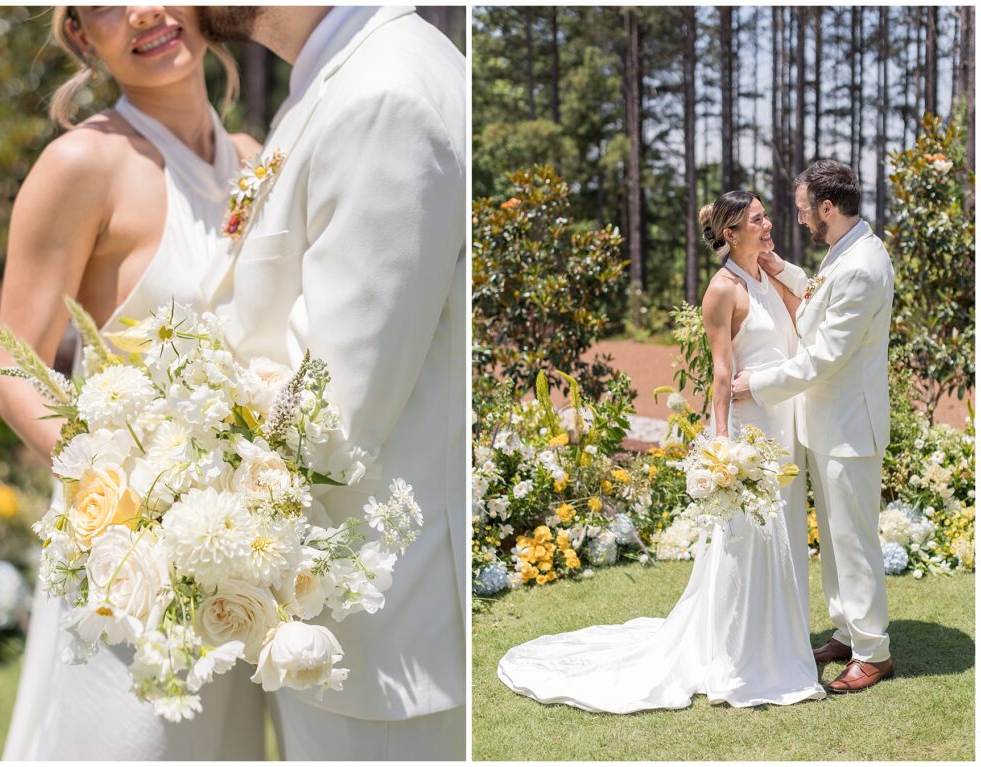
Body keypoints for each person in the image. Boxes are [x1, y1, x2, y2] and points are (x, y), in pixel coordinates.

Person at [0, 6, 265, 759]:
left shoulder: (253, 158)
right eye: (108, 4)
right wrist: (127, 504)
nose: (145, 10)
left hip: (237, 561)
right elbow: (14, 370)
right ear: (83, 36)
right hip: (126, 562)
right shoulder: (83, 164)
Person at [196, 6, 466, 760]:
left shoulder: (385, 97)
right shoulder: (337, 78)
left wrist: (170, 443)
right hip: (344, 636)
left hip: (388, 653)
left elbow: (332, 415)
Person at [497, 190, 825, 713]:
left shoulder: (768, 274)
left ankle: (781, 642)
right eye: (757, 220)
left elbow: (808, 318)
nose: (768, 225)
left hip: (782, 426)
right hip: (750, 432)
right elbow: (720, 374)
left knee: (781, 532)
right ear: (729, 234)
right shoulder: (723, 290)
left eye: (765, 217)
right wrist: (721, 448)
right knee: (748, 539)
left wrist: (781, 270)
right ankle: (739, 656)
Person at [734, 160, 895, 693]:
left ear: (828, 207)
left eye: (804, 210)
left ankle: (873, 652)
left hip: (849, 427)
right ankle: (847, 633)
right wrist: (781, 268)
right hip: (828, 424)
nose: (799, 219)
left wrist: (757, 385)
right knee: (833, 539)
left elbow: (824, 356)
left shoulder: (863, 265)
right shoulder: (844, 251)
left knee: (854, 543)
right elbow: (819, 295)